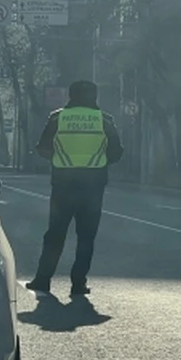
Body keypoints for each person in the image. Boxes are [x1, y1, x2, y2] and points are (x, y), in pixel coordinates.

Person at [25, 80, 124, 295]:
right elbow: (116, 153)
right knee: (86, 236)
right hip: (93, 187)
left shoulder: (57, 118)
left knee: (55, 234)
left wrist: (60, 158)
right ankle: (78, 284)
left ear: (70, 95)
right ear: (94, 97)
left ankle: (43, 280)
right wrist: (97, 161)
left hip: (63, 185)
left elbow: (42, 148)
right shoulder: (104, 121)